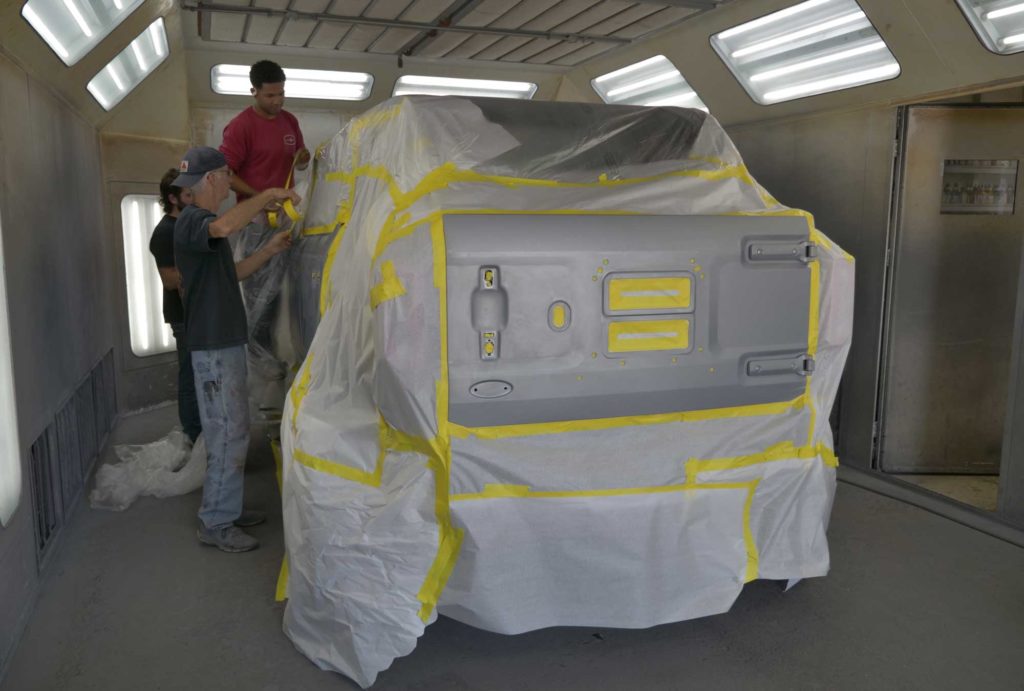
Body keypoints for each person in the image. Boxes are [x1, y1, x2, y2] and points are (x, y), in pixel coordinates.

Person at [172, 146, 299, 553]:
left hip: (223, 343)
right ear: (212, 179)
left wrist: (269, 251)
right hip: (212, 347)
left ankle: (225, 507)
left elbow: (235, 273)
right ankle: (216, 521)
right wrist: (265, 196)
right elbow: (226, 228)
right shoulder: (195, 222)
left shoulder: (203, 225)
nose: (230, 183)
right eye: (227, 175)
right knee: (227, 431)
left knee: (233, 430)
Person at [220, 60, 310, 380]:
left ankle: (289, 361)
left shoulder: (289, 121)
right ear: (254, 91)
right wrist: (263, 195)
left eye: (281, 94)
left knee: (290, 290)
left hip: (287, 217)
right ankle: (263, 372)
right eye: (270, 96)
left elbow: (301, 160)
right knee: (262, 298)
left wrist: (302, 157)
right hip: (257, 220)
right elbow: (226, 175)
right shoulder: (241, 126)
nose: (278, 101)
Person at [149, 169, 202, 444]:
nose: (193, 198)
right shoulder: (165, 232)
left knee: (198, 374)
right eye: (188, 194)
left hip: (197, 313)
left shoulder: (185, 225)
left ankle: (200, 431)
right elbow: (170, 280)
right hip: (183, 315)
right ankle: (193, 435)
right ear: (173, 198)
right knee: (190, 376)